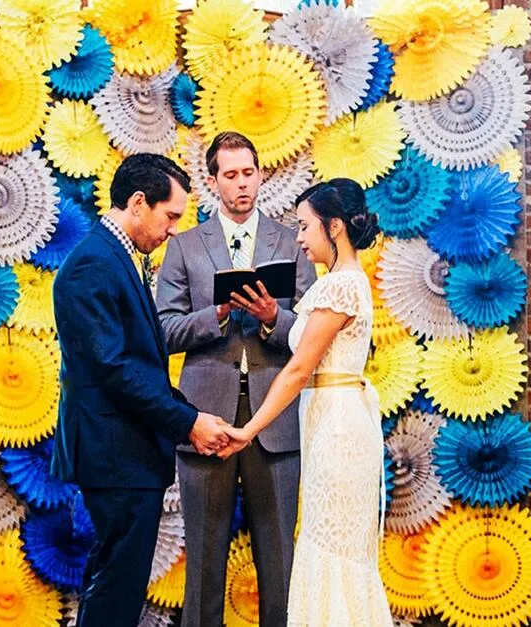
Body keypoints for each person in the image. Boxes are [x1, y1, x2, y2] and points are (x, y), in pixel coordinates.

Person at [50, 154, 231, 627]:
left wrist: (189, 416)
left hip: (124, 455)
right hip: (115, 456)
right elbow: (115, 370)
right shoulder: (93, 264)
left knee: (115, 581)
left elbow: (138, 367)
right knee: (117, 587)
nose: (173, 230)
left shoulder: (112, 258)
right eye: (170, 216)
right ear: (137, 203)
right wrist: (188, 422)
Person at [156, 132, 316, 627]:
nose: (242, 183)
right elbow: (164, 330)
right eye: (230, 175)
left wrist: (273, 318)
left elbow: (314, 330)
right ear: (212, 182)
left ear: (261, 174)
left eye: (249, 172)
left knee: (279, 559)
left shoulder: (294, 242)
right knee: (204, 557)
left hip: (276, 421)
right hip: (206, 420)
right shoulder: (183, 246)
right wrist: (219, 313)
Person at [219, 178, 393, 626]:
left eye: (304, 227)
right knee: (326, 539)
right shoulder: (341, 281)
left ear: (334, 227)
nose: (298, 238)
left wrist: (248, 430)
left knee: (332, 544)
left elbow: (298, 370)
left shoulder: (341, 286)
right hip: (329, 419)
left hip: (337, 426)